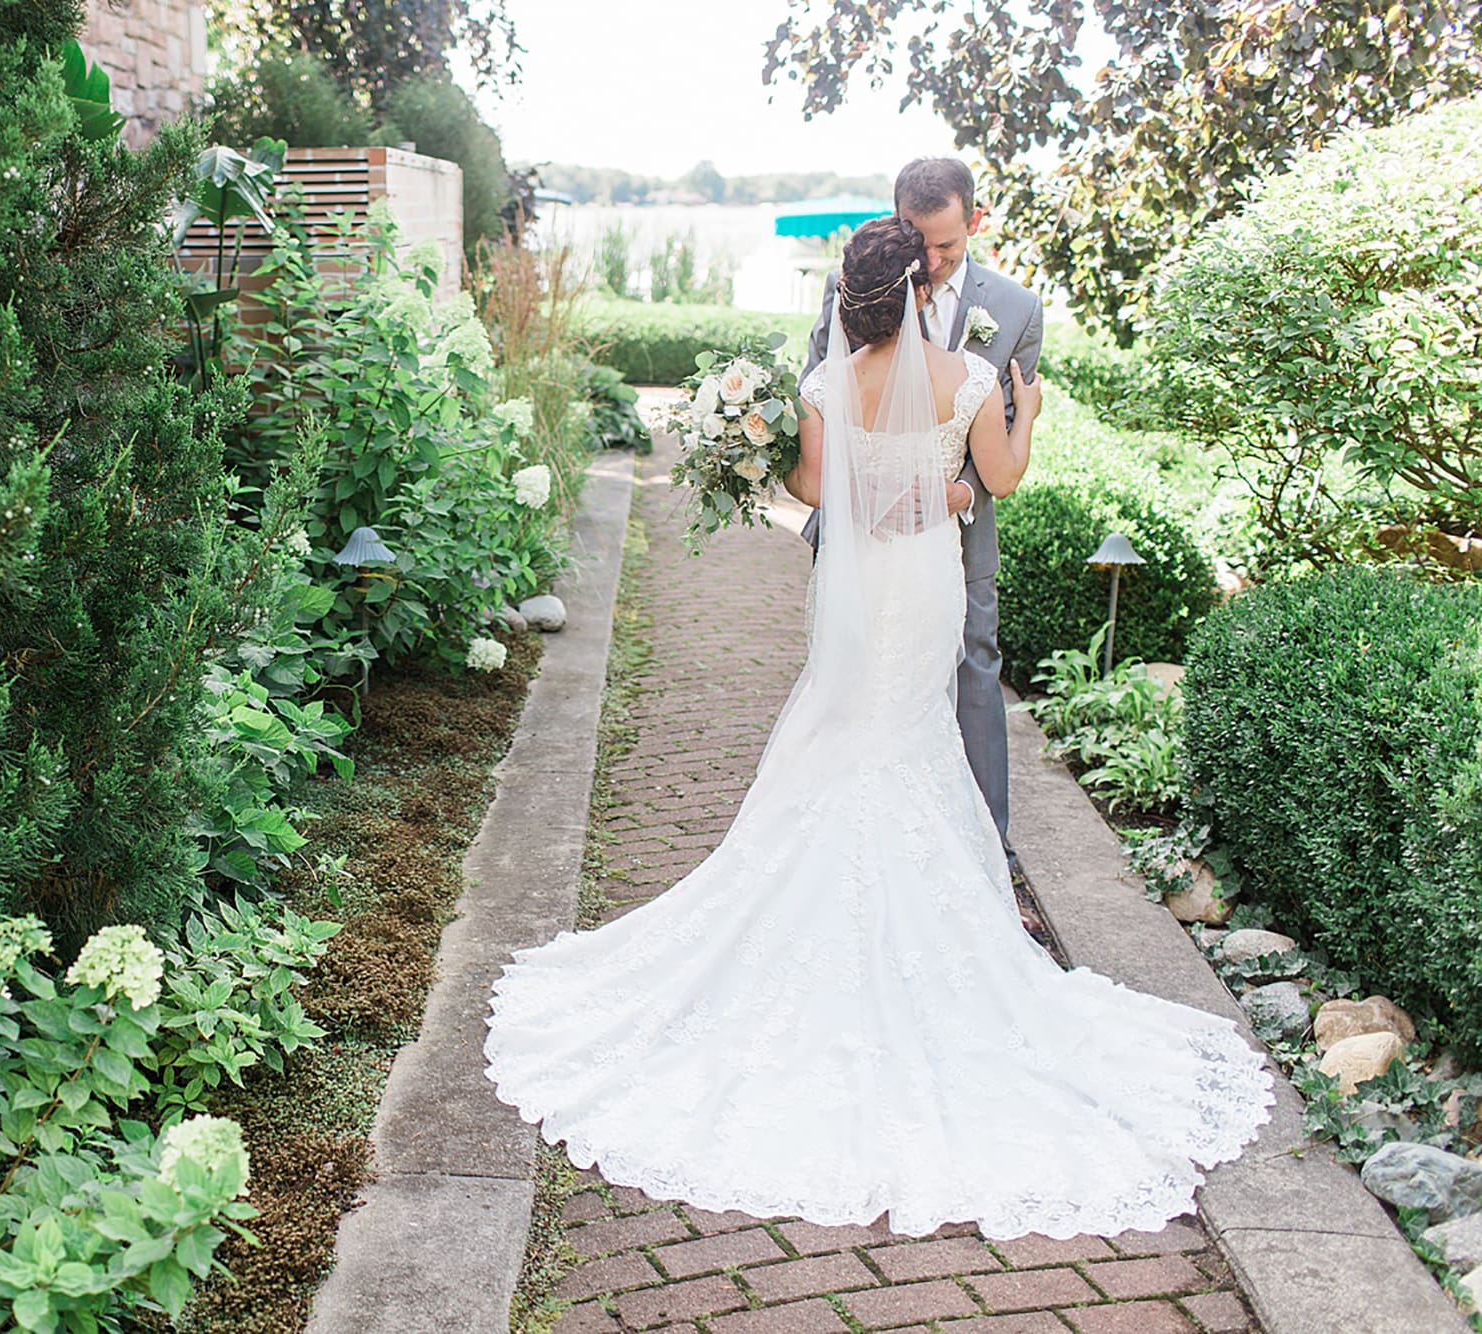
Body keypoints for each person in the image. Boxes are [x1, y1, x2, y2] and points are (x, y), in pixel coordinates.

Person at [483, 217, 1272, 1241]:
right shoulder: (971, 379)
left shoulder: (821, 384)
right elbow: (1001, 477)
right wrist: (1021, 416)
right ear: (912, 289)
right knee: (908, 739)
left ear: (848, 298)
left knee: (842, 727)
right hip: (924, 583)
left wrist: (774, 451)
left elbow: (812, 489)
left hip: (858, 592)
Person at [803, 158, 1038, 869]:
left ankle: (985, 854)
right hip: (860, 541)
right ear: (897, 222)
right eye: (920, 245)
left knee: (972, 675)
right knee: (857, 689)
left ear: (976, 221)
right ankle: (865, 855)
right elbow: (817, 396)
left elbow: (984, 450)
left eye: (948, 247)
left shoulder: (1018, 309)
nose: (933, 264)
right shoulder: (849, 287)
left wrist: (955, 492)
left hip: (951, 539)